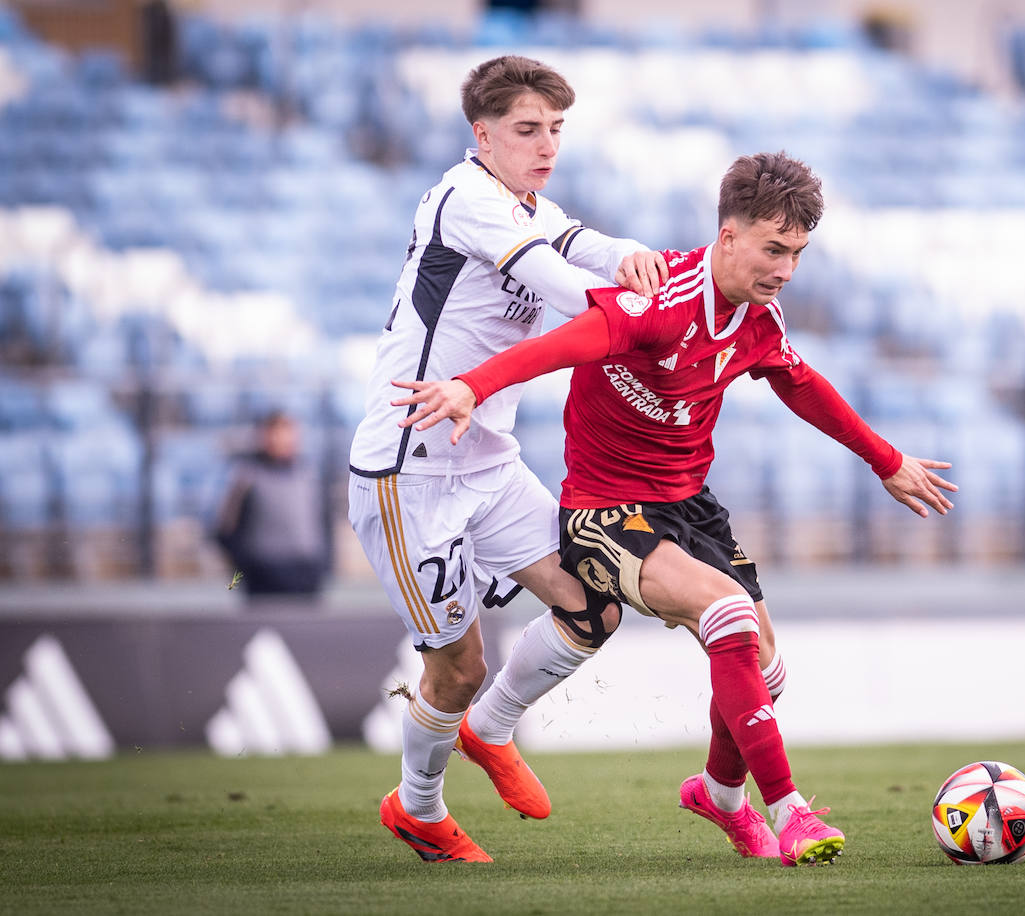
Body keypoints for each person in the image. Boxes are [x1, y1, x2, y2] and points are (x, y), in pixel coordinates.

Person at [391, 151, 957, 866]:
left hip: (691, 507)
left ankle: (720, 795)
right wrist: (473, 383)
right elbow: (563, 345)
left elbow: (801, 383)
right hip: (605, 510)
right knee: (726, 613)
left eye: (798, 254)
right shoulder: (660, 300)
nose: (786, 269)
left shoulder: (758, 320)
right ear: (727, 237)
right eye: (773, 249)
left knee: (767, 669)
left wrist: (888, 462)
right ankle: (791, 813)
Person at [346, 54, 670, 864]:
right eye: (528, 129)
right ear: (480, 134)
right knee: (458, 668)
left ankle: (490, 734)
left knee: (594, 606)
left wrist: (630, 252)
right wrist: (636, 310)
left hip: (487, 465)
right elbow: (559, 281)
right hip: (409, 469)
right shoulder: (465, 200)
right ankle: (417, 807)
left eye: (556, 128)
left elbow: (579, 240)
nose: (546, 143)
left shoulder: (523, 200)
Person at [215, 410, 329, 597]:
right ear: (263, 436)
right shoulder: (246, 476)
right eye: (276, 433)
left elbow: (323, 524)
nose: (282, 440)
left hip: (306, 576)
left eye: (288, 432)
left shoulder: (309, 475)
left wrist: (322, 567)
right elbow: (225, 530)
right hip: (263, 577)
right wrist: (247, 565)